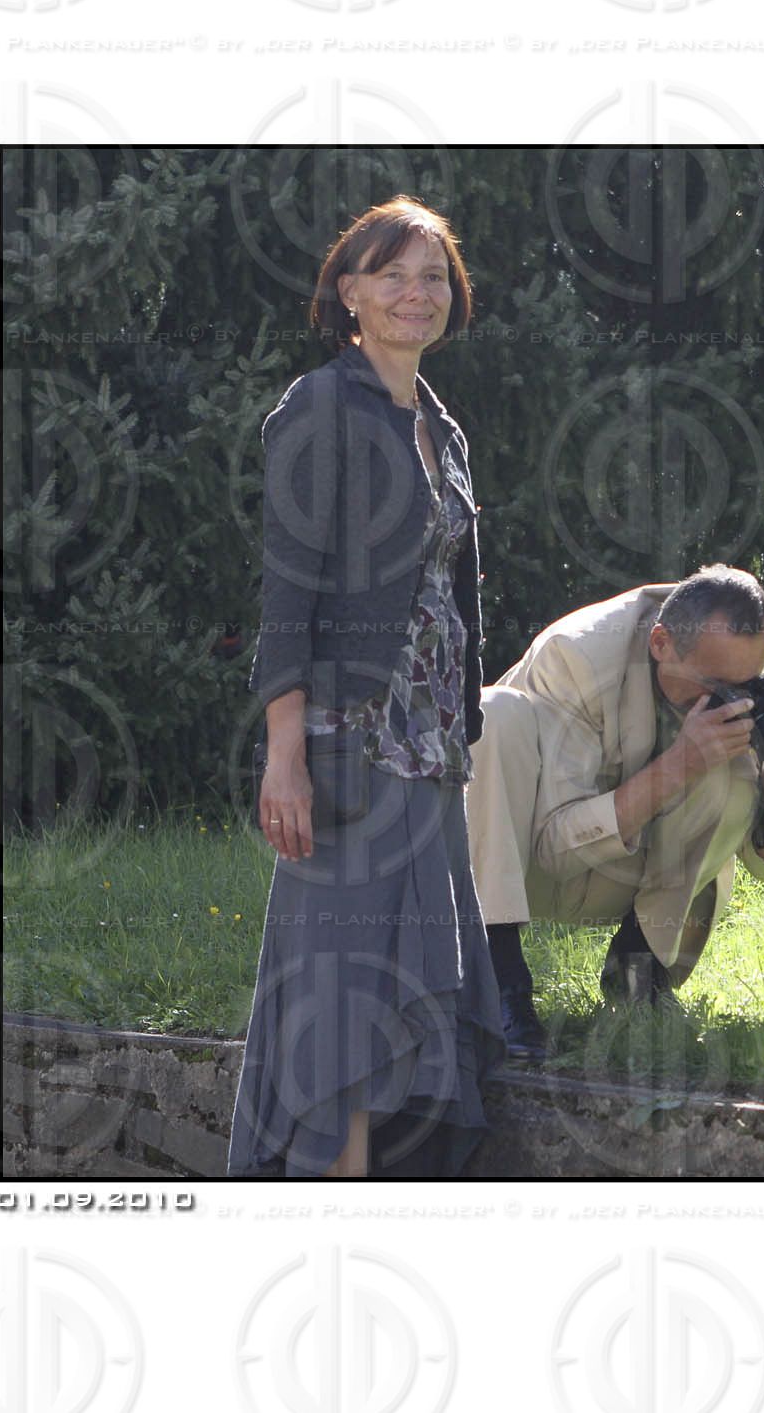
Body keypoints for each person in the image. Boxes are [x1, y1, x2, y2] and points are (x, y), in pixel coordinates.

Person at [227, 195, 508, 1179]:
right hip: (349, 744)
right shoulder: (319, 407)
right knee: (339, 994)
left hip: (429, 750)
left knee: (402, 989)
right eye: (391, 275)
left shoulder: (444, 425)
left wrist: (465, 727)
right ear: (349, 292)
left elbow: (448, 595)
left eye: (433, 276)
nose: (414, 294)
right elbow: (287, 588)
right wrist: (286, 754)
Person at [469, 566, 764, 1056]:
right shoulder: (576, 655)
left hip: (640, 879)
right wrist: (676, 767)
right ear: (660, 643)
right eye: (713, 683)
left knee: (733, 766)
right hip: (524, 866)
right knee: (493, 714)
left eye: (743, 685)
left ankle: (639, 974)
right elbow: (553, 850)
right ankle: (499, 980)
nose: (727, 699)